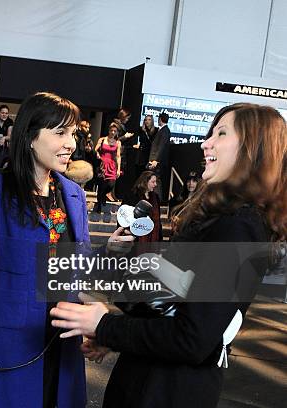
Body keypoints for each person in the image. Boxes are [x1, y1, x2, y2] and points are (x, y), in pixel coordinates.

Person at [50, 103, 287, 408]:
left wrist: (105, 325)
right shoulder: (224, 220)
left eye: (222, 134)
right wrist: (114, 334)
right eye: (211, 132)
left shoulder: (238, 226)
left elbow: (193, 338)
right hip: (150, 381)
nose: (206, 143)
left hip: (167, 391)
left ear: (252, 150)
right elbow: (171, 308)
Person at [0, 92, 89, 407]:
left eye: (72, 134)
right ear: (31, 138)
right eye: (60, 133)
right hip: (11, 343)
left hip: (63, 341)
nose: (71, 143)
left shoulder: (73, 195)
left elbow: (80, 268)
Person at [123, 171, 163, 243]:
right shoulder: (131, 196)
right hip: (136, 239)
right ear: (145, 182)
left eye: (156, 182)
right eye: (153, 182)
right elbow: (124, 216)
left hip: (153, 239)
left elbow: (158, 220)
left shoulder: (155, 197)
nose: (155, 184)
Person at [93, 123, 121, 221]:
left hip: (112, 165)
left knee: (110, 185)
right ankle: (99, 205)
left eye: (115, 131)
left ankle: (103, 196)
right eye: (111, 130)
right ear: (109, 130)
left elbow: (118, 156)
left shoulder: (118, 142)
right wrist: (97, 154)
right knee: (101, 185)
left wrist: (118, 169)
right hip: (102, 165)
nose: (113, 132)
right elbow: (95, 149)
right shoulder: (102, 140)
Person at [148, 112, 171, 202]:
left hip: (157, 162)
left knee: (156, 181)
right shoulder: (163, 130)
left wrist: (155, 160)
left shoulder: (165, 131)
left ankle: (156, 200)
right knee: (154, 180)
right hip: (156, 161)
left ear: (160, 119)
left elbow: (161, 147)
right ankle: (154, 200)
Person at [133, 114, 157, 178]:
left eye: (149, 120)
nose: (147, 121)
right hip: (141, 154)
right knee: (139, 173)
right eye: (146, 120)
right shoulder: (141, 130)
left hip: (150, 153)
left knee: (148, 174)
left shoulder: (156, 130)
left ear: (152, 121)